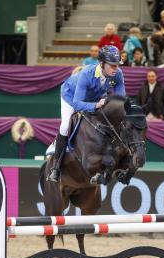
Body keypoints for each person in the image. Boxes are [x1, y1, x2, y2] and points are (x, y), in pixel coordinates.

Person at [48, 45, 126, 182]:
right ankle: (55, 168)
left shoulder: (118, 74)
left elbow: (121, 100)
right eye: (112, 65)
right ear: (101, 64)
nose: (116, 68)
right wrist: (95, 105)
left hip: (94, 96)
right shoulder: (86, 74)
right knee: (65, 126)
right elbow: (78, 103)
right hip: (71, 96)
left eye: (117, 65)